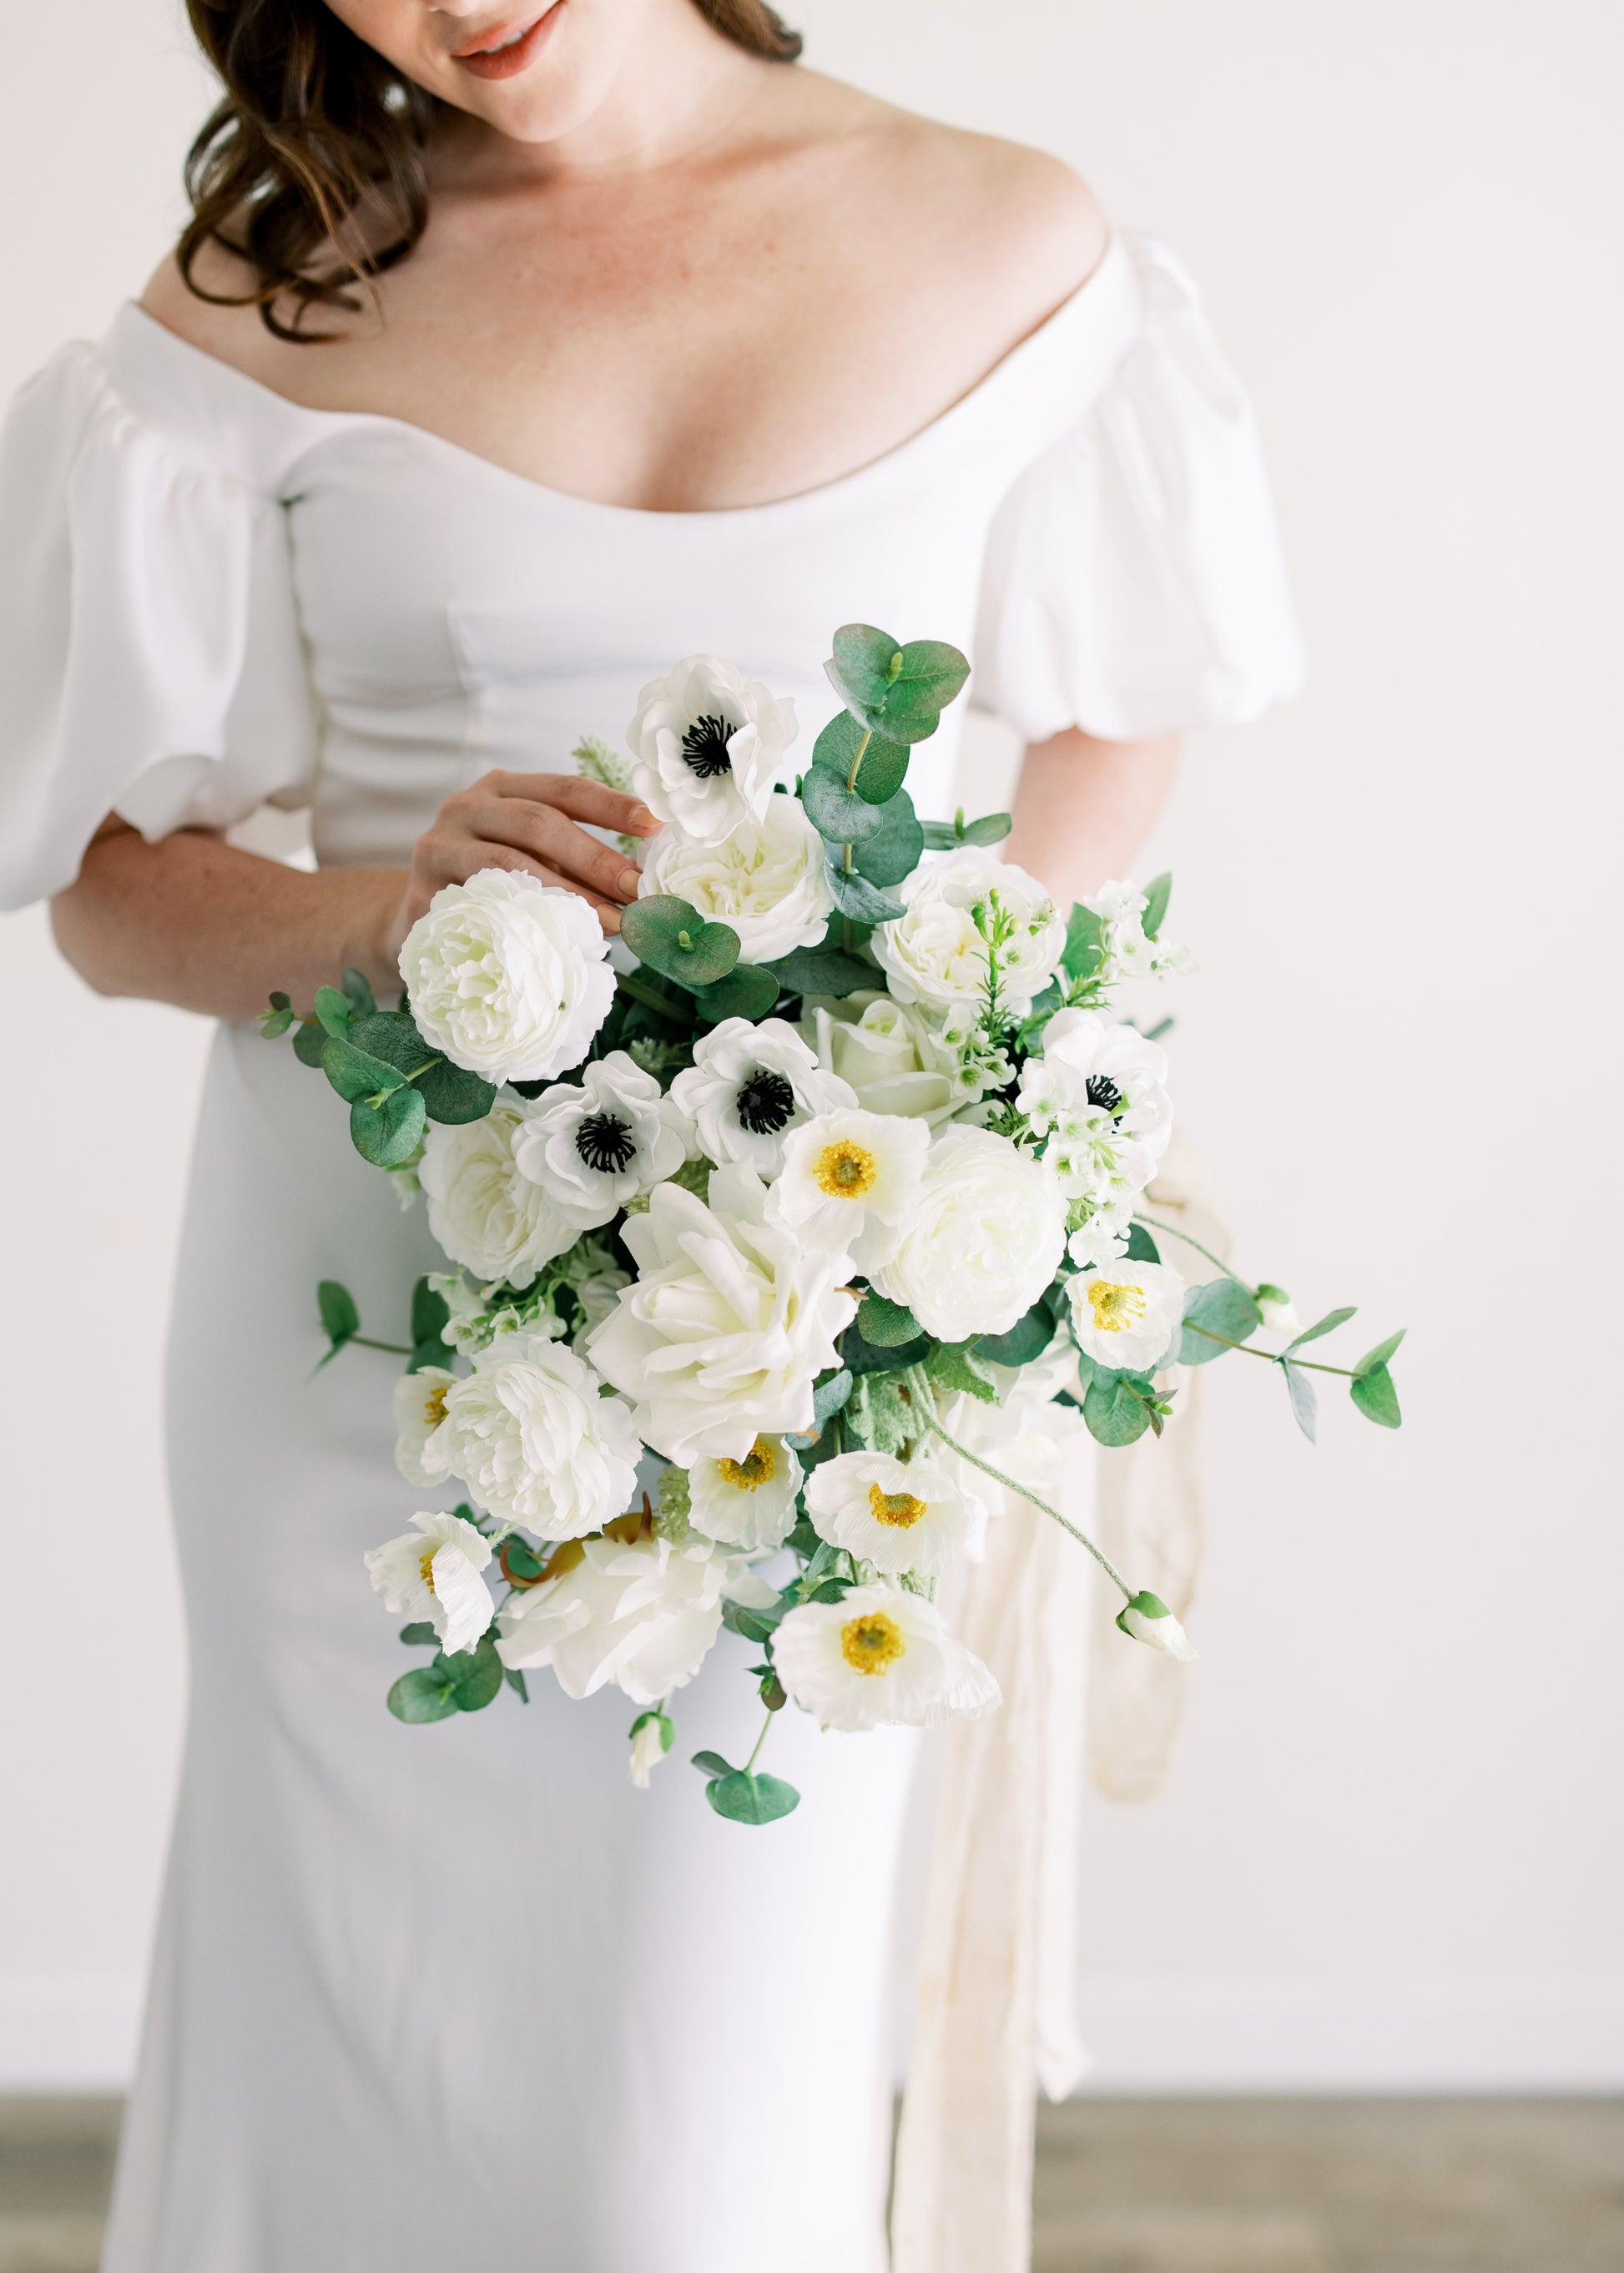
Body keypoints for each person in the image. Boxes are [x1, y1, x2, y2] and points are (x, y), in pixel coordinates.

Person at [0, 2, 1302, 2265]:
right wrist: (393, 916)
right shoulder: (271, 288)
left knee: (692, 2126)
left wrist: (952, 1063)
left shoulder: (1002, 234)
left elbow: (1112, 731)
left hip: (792, 1323)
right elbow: (112, 891)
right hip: (362, 1342)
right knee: (342, 2057)